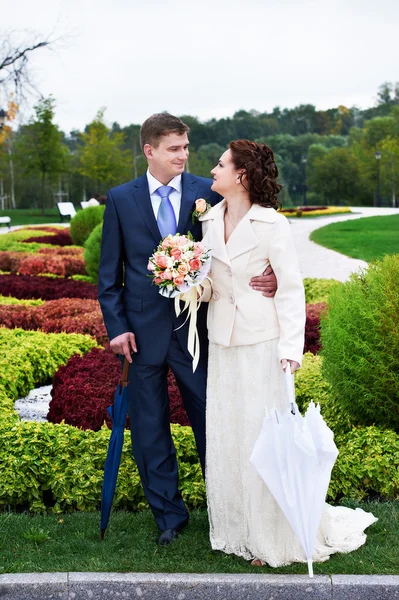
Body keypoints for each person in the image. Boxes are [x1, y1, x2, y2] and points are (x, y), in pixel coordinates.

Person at [97, 114, 277, 546]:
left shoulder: (207, 191)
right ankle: (169, 519)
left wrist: (270, 269)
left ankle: (228, 511)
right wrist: (117, 329)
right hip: (140, 337)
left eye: (186, 147)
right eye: (175, 148)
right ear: (150, 151)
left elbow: (255, 228)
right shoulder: (121, 199)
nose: (184, 155)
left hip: (199, 331)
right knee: (149, 428)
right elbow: (109, 277)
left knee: (213, 422)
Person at [200, 139, 376, 567]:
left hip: (263, 343)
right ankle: (238, 529)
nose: (213, 170)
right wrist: (184, 286)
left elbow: (291, 289)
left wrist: (290, 351)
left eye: (221, 164)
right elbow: (212, 284)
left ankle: (270, 535)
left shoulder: (272, 224)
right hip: (223, 342)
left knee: (264, 439)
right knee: (231, 435)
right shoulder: (209, 220)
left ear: (242, 175)